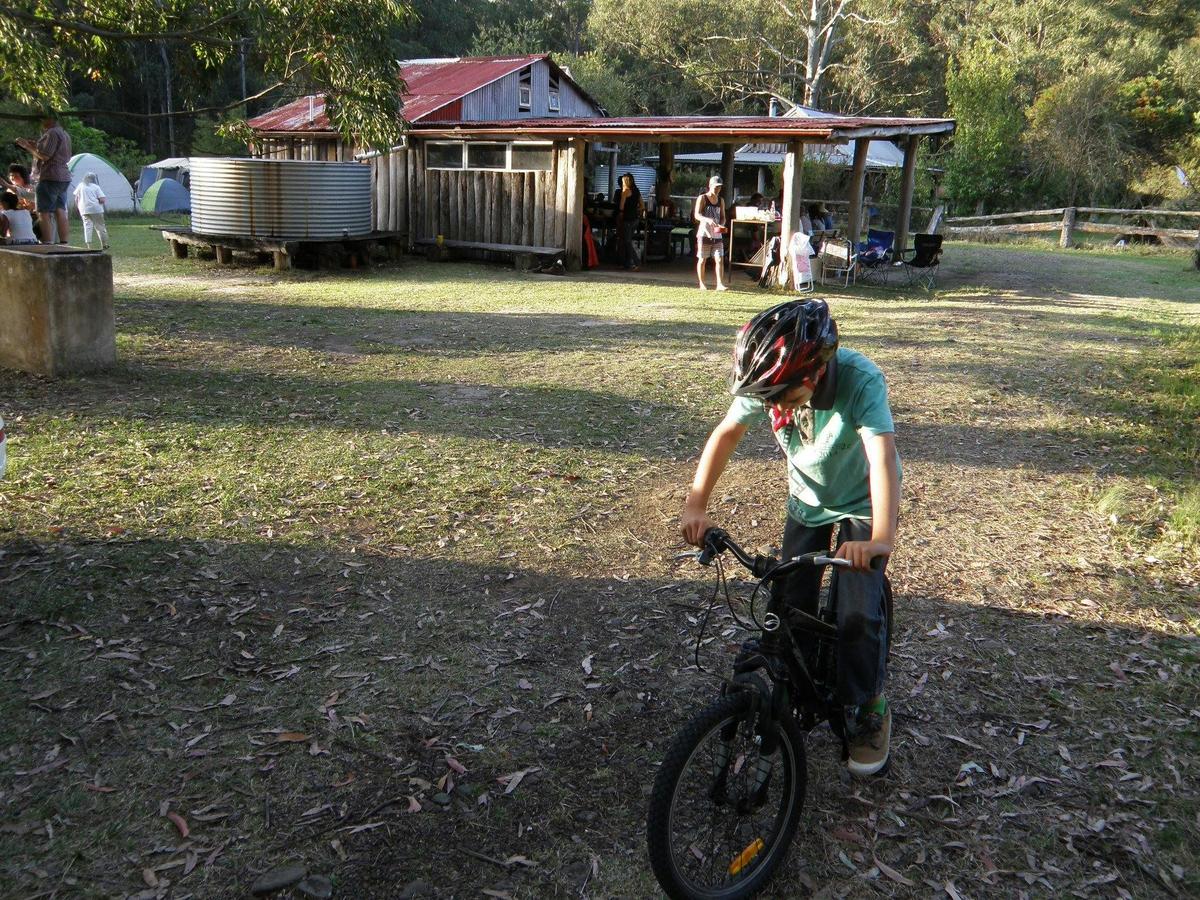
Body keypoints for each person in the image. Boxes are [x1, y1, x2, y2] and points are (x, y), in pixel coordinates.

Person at [680, 299, 900, 776]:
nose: (772, 408)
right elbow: (726, 434)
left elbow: (882, 460)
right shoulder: (771, 383)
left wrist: (880, 538)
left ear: (815, 376)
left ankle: (869, 707)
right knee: (787, 603)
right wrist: (697, 502)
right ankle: (793, 693)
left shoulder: (861, 381)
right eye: (767, 399)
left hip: (862, 506)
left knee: (857, 614)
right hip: (807, 500)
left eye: (780, 398)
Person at [15, 113, 72, 244]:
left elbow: (45, 156)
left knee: (43, 212)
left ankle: (47, 242)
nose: (41, 122)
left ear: (50, 119)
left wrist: (27, 146)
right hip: (64, 177)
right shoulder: (65, 134)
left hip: (50, 176)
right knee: (60, 209)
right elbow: (61, 155)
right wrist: (36, 146)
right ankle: (64, 242)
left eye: (43, 118)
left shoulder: (52, 133)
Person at [694, 175, 728, 291]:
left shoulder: (721, 200)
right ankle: (702, 283)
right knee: (702, 259)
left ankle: (720, 284)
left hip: (717, 234)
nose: (717, 189)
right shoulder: (703, 198)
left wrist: (722, 224)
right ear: (710, 186)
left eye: (719, 187)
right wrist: (708, 219)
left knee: (719, 258)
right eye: (715, 187)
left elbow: (723, 217)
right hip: (704, 233)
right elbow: (697, 215)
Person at [72, 172, 109, 250]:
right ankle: (104, 244)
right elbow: (102, 199)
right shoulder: (96, 187)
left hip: (83, 209)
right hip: (96, 209)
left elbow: (76, 198)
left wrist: (78, 207)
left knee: (87, 226)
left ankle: (89, 246)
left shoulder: (80, 186)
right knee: (100, 226)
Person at [615, 173, 643, 270]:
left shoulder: (625, 192)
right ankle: (627, 263)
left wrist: (621, 215)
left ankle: (636, 262)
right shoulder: (637, 191)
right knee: (628, 240)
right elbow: (642, 206)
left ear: (626, 181)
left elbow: (621, 207)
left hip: (627, 219)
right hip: (635, 219)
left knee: (627, 241)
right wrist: (636, 210)